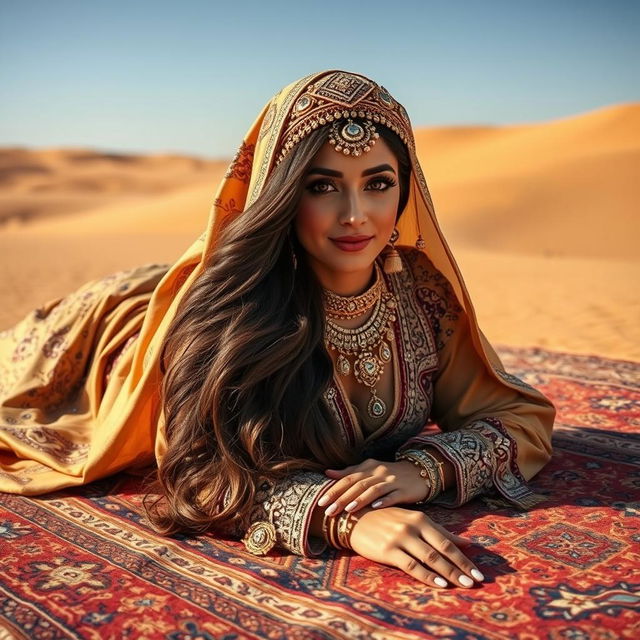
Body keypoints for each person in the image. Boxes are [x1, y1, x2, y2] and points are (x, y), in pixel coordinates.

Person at [0, 70, 555, 590]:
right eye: (322, 186)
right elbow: (198, 471)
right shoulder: (232, 316)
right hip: (109, 335)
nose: (355, 214)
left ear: (406, 192)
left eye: (378, 183)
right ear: (283, 196)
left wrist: (421, 472)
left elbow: (517, 415)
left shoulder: (424, 294)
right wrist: (344, 520)